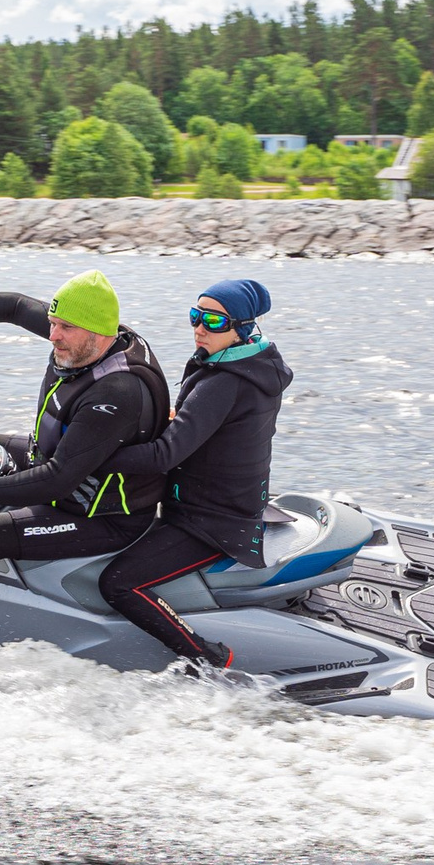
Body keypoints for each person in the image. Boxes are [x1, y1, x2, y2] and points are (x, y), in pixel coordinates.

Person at [0, 271, 173, 640]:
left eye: (64, 329)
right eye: (52, 324)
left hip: (102, 515)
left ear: (98, 334)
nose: (53, 336)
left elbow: (56, 479)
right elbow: (14, 306)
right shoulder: (93, 333)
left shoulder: (117, 392)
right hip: (60, 463)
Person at [95, 279, 292, 670]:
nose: (200, 328)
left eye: (214, 321)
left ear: (244, 327)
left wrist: (89, 458)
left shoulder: (226, 381)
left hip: (213, 522)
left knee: (117, 583)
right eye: (195, 316)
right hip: (213, 502)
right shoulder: (243, 364)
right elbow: (196, 428)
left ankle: (206, 656)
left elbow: (165, 455)